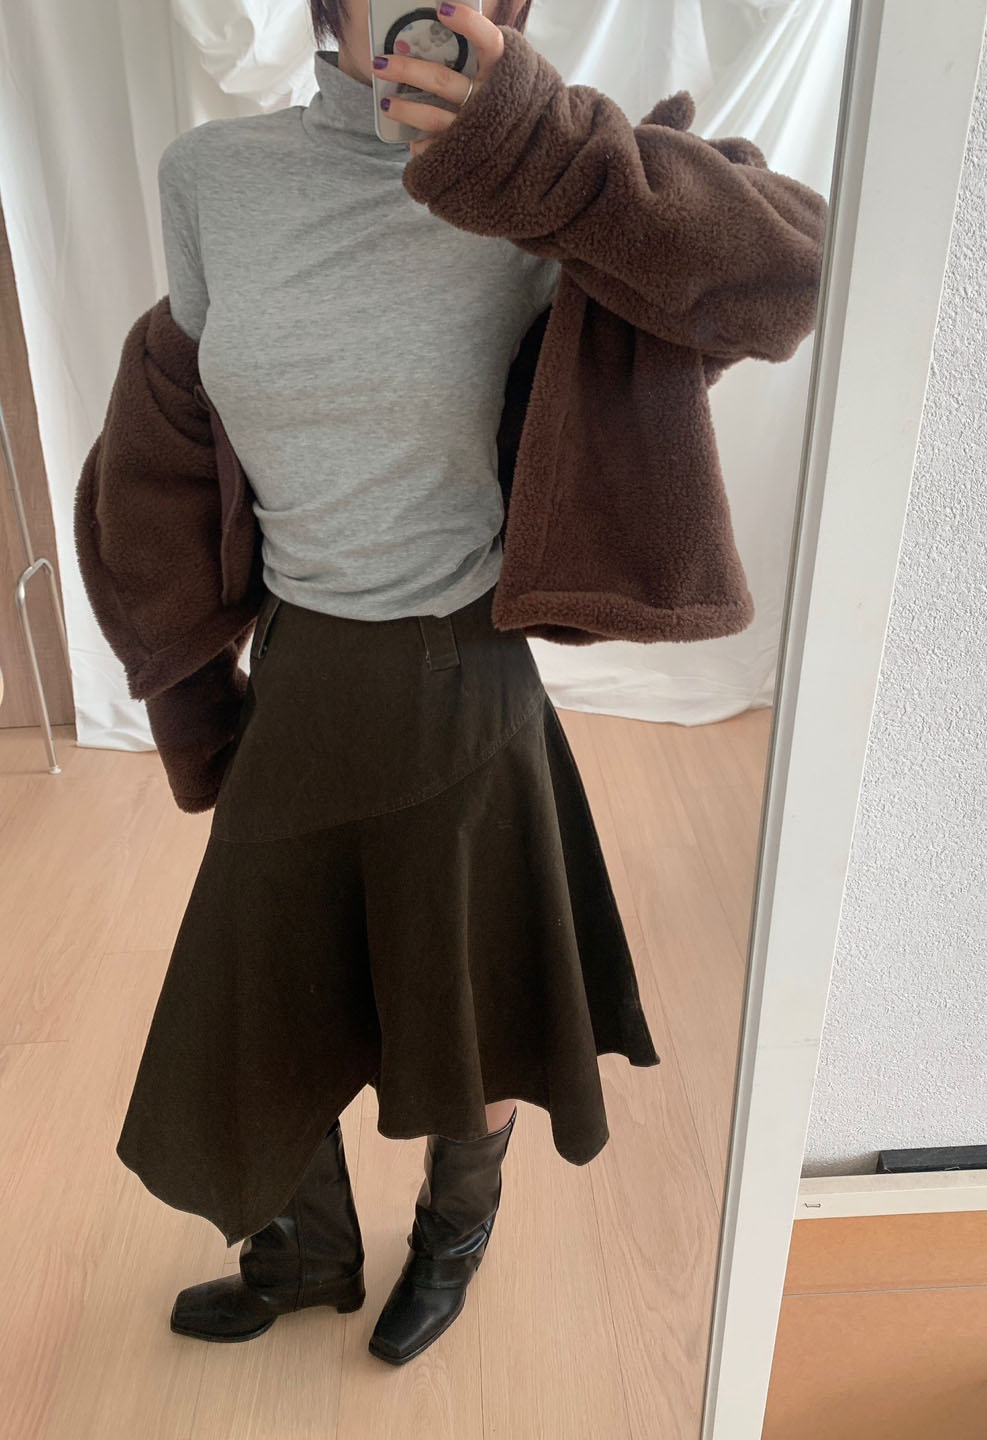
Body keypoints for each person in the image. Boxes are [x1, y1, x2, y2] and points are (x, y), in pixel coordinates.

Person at [116, 0, 666, 1367]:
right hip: (300, 658)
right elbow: (187, 429)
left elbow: (776, 267)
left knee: (472, 998)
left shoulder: (529, 190)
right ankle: (304, 1253)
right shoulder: (211, 177)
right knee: (263, 985)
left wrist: (546, 143)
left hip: (462, 669)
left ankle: (453, 1238)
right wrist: (188, 669)